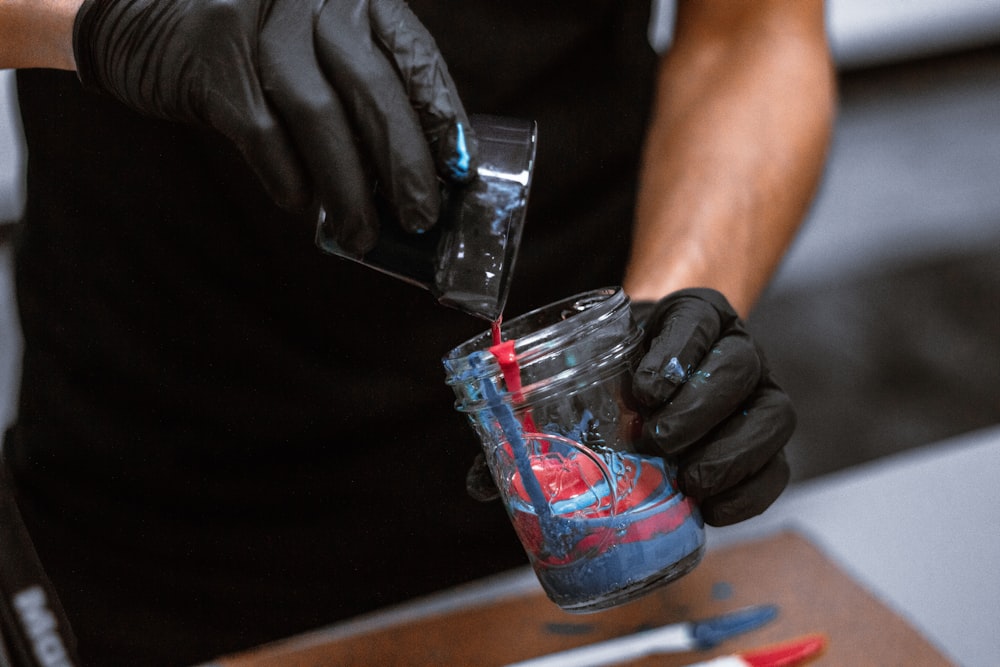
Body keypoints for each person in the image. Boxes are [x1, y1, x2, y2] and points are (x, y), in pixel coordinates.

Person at [0, 1, 836, 664]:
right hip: (161, 508)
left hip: (575, 500)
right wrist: (109, 15)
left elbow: (750, 32)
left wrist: (660, 333)